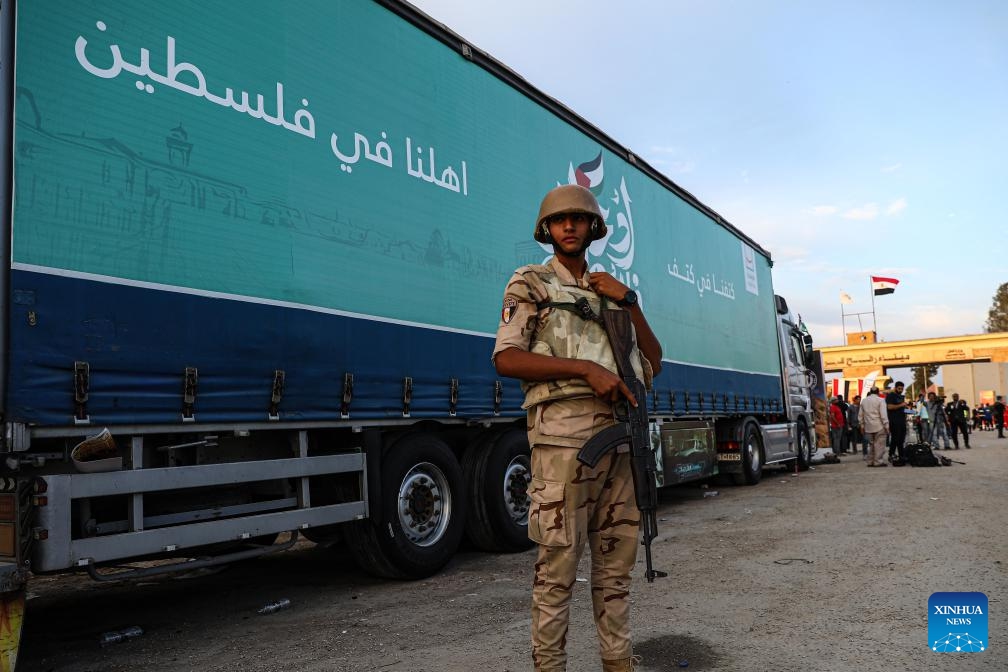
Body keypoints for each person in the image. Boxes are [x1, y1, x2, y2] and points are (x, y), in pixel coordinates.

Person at [493, 184, 662, 672]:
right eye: (560, 220)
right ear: (546, 229)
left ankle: (618, 662)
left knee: (615, 573)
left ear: (593, 228)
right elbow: (506, 358)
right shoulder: (532, 282)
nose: (569, 226)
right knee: (557, 572)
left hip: (621, 444)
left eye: (579, 219)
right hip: (564, 444)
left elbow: (653, 361)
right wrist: (585, 370)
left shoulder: (610, 292)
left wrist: (630, 301)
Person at [859, 387, 889, 467]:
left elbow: (860, 415)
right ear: (878, 392)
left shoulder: (864, 401)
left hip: (868, 426)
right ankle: (878, 461)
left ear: (870, 392)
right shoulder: (881, 400)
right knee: (879, 445)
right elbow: (883, 414)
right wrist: (886, 425)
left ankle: (870, 461)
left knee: (871, 445)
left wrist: (862, 425)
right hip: (879, 425)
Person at [885, 381, 909, 462]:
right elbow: (889, 407)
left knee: (901, 439)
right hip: (894, 421)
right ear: (895, 388)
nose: (900, 390)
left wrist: (911, 411)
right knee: (895, 439)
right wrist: (901, 405)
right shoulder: (891, 395)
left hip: (902, 421)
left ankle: (901, 455)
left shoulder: (901, 396)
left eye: (902, 389)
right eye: (899, 388)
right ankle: (891, 454)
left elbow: (902, 409)